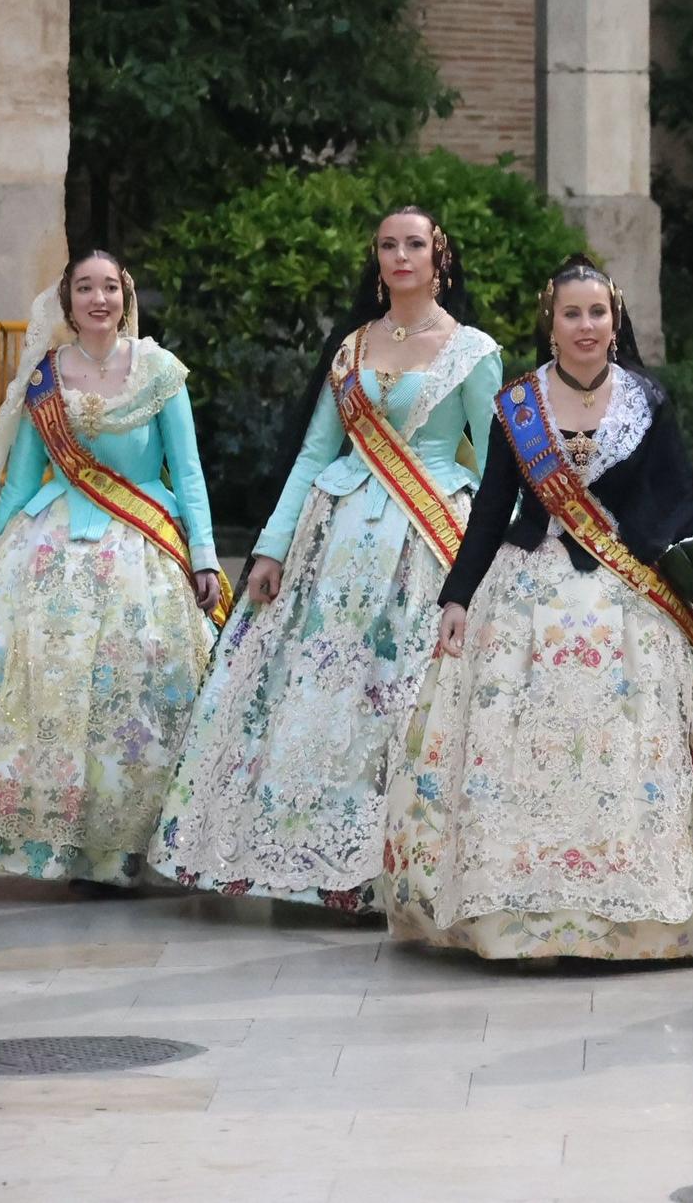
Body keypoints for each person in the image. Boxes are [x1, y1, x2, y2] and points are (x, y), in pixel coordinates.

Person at [383, 254, 693, 960]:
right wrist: (457, 595)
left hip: (630, 589)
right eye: (572, 313)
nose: (586, 325)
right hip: (527, 591)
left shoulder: (647, 402)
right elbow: (489, 512)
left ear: (615, 318)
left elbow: (681, 499)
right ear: (552, 322)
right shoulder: (518, 405)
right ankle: (519, 916)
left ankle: (631, 917)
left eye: (598, 312)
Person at [150, 207, 501, 913]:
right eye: (387, 245)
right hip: (333, 541)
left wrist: (510, 561)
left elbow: (499, 466)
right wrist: (273, 547)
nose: (401, 255)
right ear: (376, 259)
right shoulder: (351, 348)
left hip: (426, 545)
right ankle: (305, 862)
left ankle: (395, 868)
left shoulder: (472, 351)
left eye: (415, 244)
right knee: (314, 697)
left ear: (441, 259)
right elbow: (317, 451)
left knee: (398, 698)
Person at [0, 252, 224, 885]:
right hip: (48, 542)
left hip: (140, 545)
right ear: (67, 303)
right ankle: (60, 837)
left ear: (127, 296)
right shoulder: (46, 377)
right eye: (84, 288)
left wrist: (203, 555)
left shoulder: (159, 373)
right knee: (46, 690)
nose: (98, 299)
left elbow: (190, 471)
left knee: (136, 691)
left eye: (110, 287)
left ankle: (134, 840)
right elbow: (18, 481)